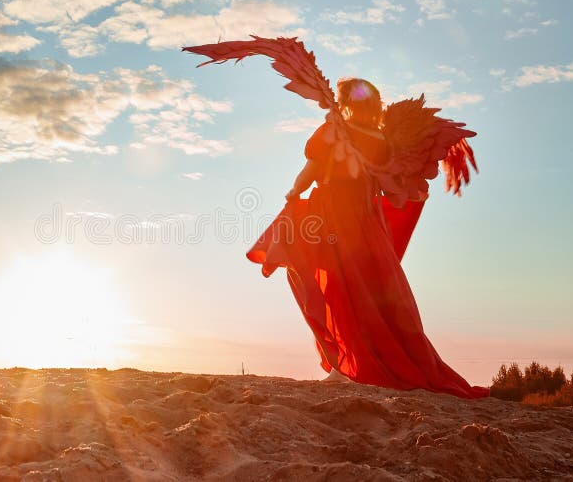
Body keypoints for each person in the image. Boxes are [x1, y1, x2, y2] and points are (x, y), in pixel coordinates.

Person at [184, 37, 489, 399]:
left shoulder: (335, 130)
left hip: (333, 214)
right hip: (367, 220)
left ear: (344, 103)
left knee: (324, 284)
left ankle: (340, 363)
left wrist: (293, 194)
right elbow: (389, 185)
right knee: (369, 291)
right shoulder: (382, 141)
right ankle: (352, 361)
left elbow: (312, 170)